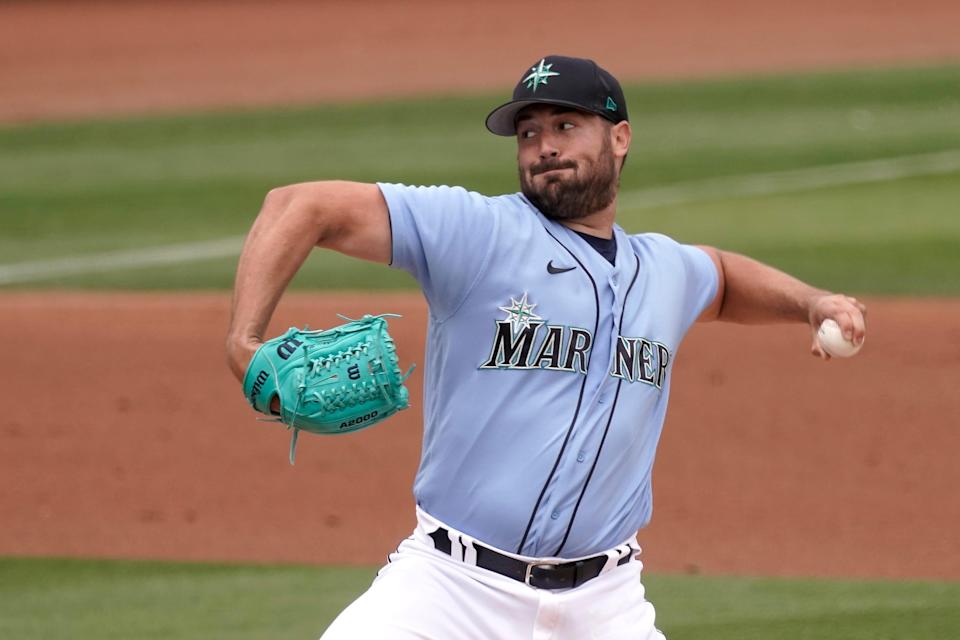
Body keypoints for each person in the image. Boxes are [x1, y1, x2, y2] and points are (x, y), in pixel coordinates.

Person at [226, 55, 867, 639]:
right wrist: (244, 341)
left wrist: (810, 302)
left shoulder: (663, 270)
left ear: (620, 137)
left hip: (606, 603)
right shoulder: (478, 231)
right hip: (451, 591)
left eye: (566, 126)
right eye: (529, 133)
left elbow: (722, 280)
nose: (544, 147)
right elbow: (298, 206)